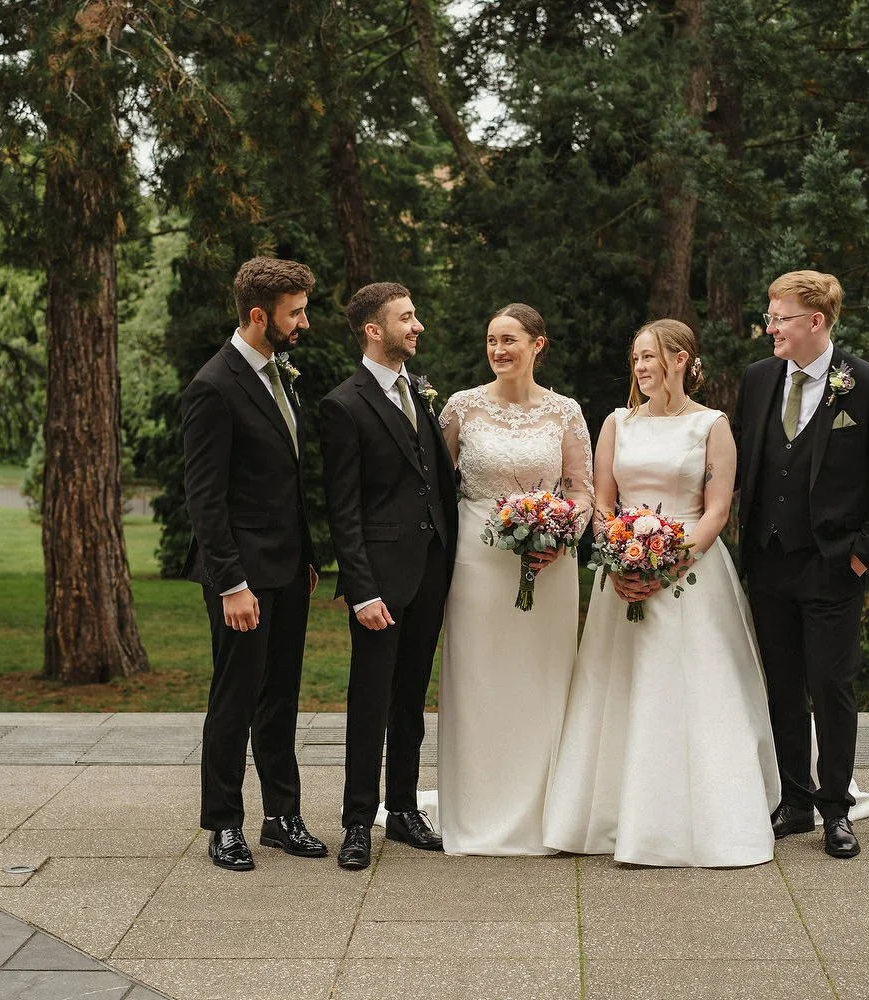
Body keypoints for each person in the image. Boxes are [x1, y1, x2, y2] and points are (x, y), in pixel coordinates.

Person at [543, 319, 781, 867]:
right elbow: (603, 504)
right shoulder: (616, 424)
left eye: (650, 356)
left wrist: (668, 563)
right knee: (619, 687)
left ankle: (694, 816)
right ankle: (610, 813)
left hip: (691, 572)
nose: (641, 367)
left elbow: (718, 510)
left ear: (680, 359)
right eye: (636, 359)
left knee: (691, 689)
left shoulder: (712, 425)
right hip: (621, 572)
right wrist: (620, 557)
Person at [734, 270, 869, 859]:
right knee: (783, 686)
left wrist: (862, 557)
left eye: (780, 318)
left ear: (816, 322)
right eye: (770, 316)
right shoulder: (759, 381)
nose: (771, 327)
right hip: (769, 564)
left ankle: (837, 808)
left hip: (834, 566)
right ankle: (794, 801)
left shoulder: (867, 385)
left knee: (831, 686)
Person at [182, 256, 326, 871]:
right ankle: (223, 823)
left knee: (281, 698)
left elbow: (285, 479)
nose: (305, 323)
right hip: (242, 578)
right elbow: (205, 498)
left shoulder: (279, 375)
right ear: (260, 315)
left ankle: (282, 816)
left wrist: (308, 558)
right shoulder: (213, 386)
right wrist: (231, 584)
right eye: (296, 313)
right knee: (235, 700)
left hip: (289, 570)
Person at [436, 304, 593, 855]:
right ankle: (476, 810)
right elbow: (434, 488)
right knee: (480, 678)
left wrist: (560, 532)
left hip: (549, 565)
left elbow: (581, 489)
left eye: (509, 340)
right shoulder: (461, 408)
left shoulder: (566, 413)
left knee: (542, 678)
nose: (498, 350)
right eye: (491, 341)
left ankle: (545, 809)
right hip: (476, 564)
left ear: (537, 345)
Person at [320, 282, 459, 871]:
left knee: (410, 699)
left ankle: (402, 809)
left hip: (430, 570)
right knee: (370, 700)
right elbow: (342, 509)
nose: (418, 325)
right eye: (406, 318)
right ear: (374, 330)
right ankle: (358, 821)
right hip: (380, 578)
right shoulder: (343, 404)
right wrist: (362, 589)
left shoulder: (418, 393)